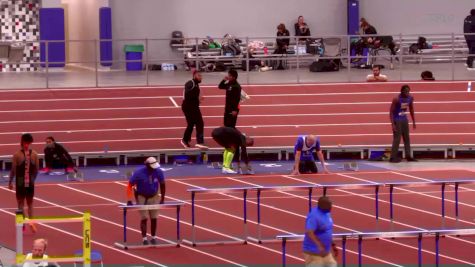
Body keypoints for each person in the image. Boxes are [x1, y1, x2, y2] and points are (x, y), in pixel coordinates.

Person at [126, 157, 166, 245]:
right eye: (152, 166)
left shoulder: (158, 171)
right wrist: (129, 199)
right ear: (147, 165)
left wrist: (162, 198)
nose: (154, 168)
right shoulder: (138, 173)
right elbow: (130, 185)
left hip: (154, 196)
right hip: (142, 196)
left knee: (154, 218)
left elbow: (162, 185)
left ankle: (153, 237)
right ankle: (144, 238)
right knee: (144, 218)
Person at [9, 133, 39, 232]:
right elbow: (37, 169)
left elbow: (13, 170)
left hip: (21, 181)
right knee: (27, 204)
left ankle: (24, 224)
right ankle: (29, 223)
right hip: (29, 181)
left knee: (22, 204)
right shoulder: (34, 154)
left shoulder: (17, 155)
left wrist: (10, 181)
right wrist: (32, 179)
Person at [303, 196, 338, 267]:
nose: (331, 207)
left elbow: (328, 230)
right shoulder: (314, 216)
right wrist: (319, 245)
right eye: (329, 205)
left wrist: (333, 245)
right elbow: (309, 232)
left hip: (326, 253)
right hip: (314, 253)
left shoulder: (327, 214)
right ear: (322, 206)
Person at [181, 70, 208, 149]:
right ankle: (200, 142)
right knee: (200, 123)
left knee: (191, 124)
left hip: (192, 107)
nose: (201, 77)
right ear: (194, 76)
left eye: (201, 76)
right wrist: (196, 99)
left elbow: (191, 96)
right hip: (189, 107)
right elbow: (187, 94)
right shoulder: (190, 83)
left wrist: (198, 100)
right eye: (199, 76)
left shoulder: (196, 85)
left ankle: (185, 140)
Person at [389, 85, 417, 163]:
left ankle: (408, 156)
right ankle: (392, 157)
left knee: (407, 138)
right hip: (397, 120)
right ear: (401, 91)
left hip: (404, 119)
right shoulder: (396, 99)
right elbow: (391, 112)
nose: (407, 93)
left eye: (408, 91)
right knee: (397, 139)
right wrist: (393, 124)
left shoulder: (410, 98)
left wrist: (414, 121)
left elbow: (411, 109)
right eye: (405, 91)